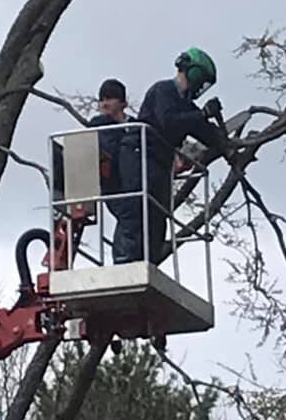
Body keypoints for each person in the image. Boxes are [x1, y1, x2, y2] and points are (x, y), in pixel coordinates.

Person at [116, 47, 229, 264]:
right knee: (136, 210)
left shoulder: (186, 106)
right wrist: (201, 114)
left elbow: (203, 130)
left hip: (159, 164)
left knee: (158, 219)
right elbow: (168, 121)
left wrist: (222, 138)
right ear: (194, 73)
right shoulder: (163, 91)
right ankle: (125, 261)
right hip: (139, 156)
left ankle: (147, 262)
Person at [88, 79, 138, 264]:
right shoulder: (98, 126)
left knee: (136, 218)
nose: (104, 103)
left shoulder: (136, 126)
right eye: (101, 99)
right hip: (113, 184)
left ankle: (129, 255)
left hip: (134, 182)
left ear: (123, 103)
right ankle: (122, 257)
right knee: (128, 215)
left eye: (110, 98)